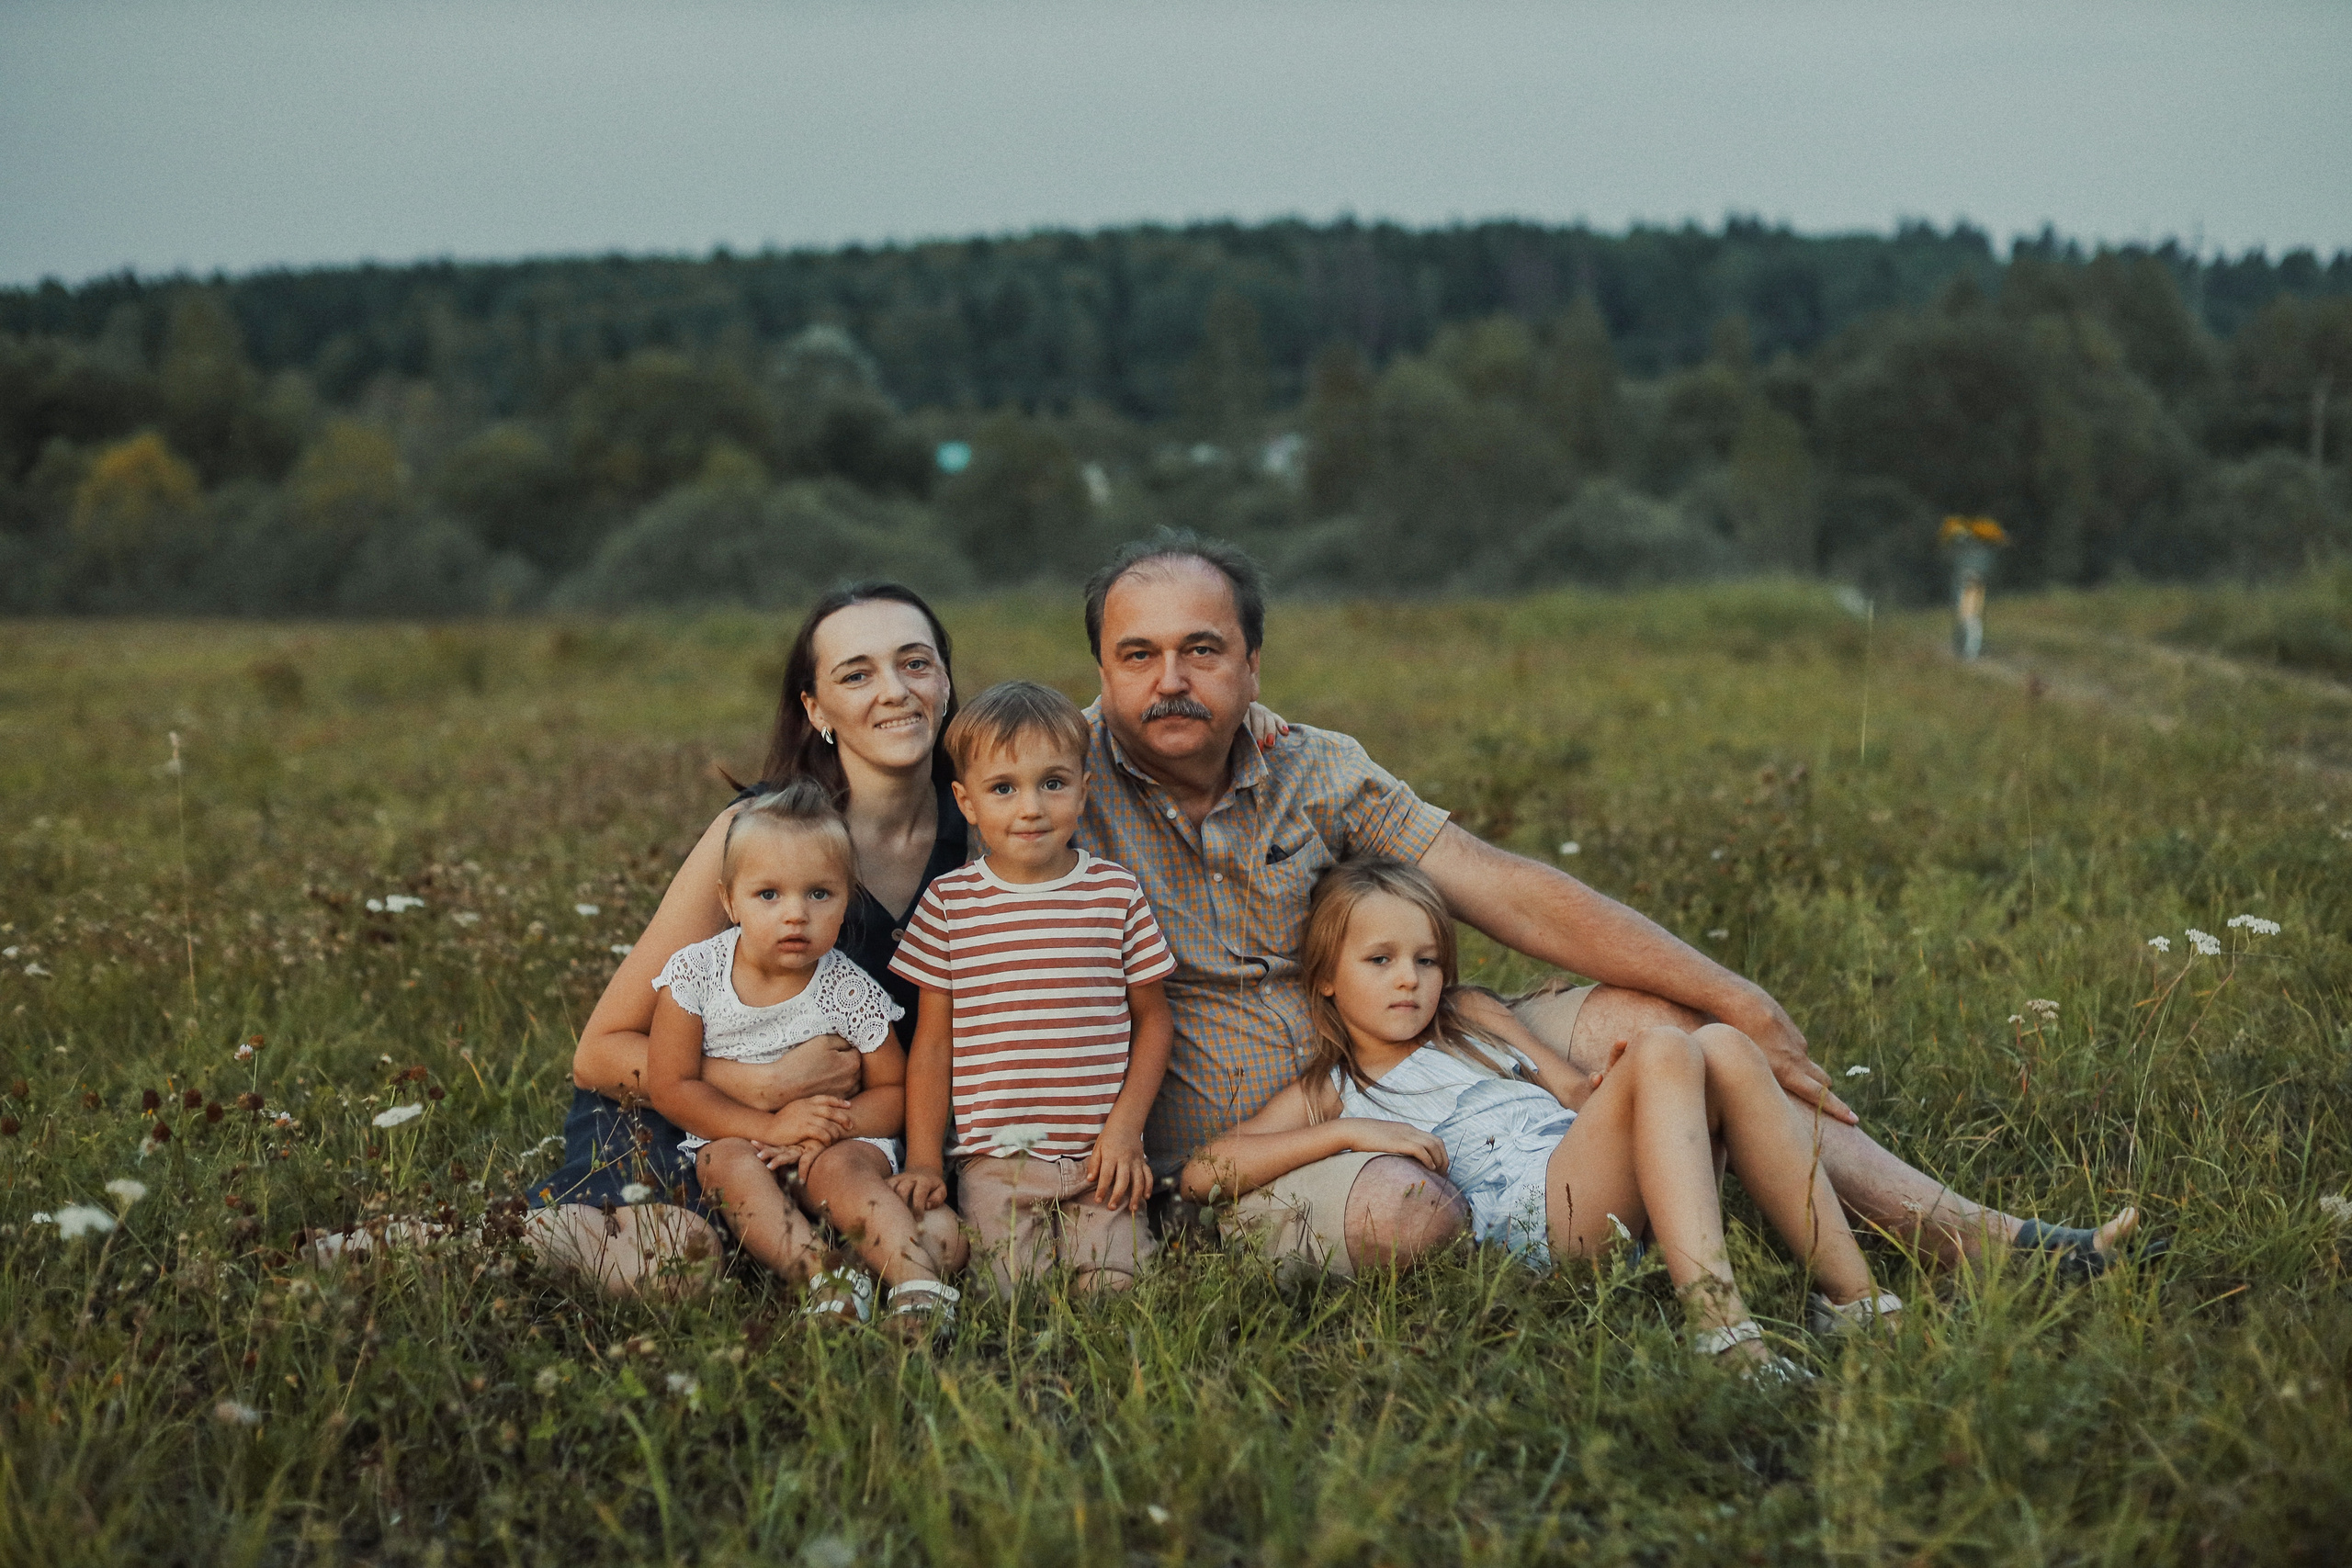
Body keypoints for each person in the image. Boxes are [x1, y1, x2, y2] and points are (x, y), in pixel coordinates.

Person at [1074, 530, 2141, 1280]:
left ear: (1252, 667)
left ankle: (1969, 1239)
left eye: (1201, 650)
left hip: (1407, 1044)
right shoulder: (1056, 784)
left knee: (1663, 1023)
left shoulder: (1313, 765)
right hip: (1269, 1134)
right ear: (1104, 675)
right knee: (1406, 1220)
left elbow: (1501, 889)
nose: (1171, 680)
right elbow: (916, 858)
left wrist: (1739, 995)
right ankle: (1647, 1216)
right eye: (1140, 656)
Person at [1189, 859, 1902, 1372]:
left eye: (1428, 959)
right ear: (1325, 977)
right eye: (1380, 959)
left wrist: (1624, 1078)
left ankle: (1855, 1299)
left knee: (1719, 1044)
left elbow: (1571, 1092)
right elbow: (1203, 1171)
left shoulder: (1471, 1017)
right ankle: (1722, 1332)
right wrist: (1347, 1131)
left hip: (1596, 1183)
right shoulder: (1334, 1087)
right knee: (1669, 1047)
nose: (1410, 977)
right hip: (1535, 1229)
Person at [537, 583, 973, 1297]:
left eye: (915, 663)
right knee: (678, 1261)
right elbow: (600, 1051)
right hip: (691, 1118)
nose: (894, 691)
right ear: (814, 709)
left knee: (937, 1240)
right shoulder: (761, 838)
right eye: (856, 674)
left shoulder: (990, 828)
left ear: (947, 683)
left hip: (852, 1137)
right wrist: (762, 1087)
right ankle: (446, 1244)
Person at [642, 779, 959, 1336]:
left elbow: (893, 1091)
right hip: (743, 1136)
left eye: (819, 894)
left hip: (835, 1144)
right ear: (728, 900)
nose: (796, 915)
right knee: (721, 1163)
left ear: (846, 899)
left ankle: (919, 1287)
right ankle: (827, 1276)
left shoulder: (847, 989)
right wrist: (770, 1125)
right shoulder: (695, 975)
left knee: (845, 1169)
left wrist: (831, 1128)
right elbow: (672, 1086)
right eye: (769, 895)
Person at [889, 682, 1177, 1294]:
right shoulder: (949, 904)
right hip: (998, 1162)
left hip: (1101, 1156)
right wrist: (921, 1158)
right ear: (966, 801)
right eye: (1003, 788)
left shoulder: (1114, 894)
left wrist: (1125, 1129)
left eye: (1053, 782)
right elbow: (933, 1046)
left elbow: (1153, 1020)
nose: (1031, 808)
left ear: (1083, 789)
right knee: (1014, 1296)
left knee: (1116, 1287)